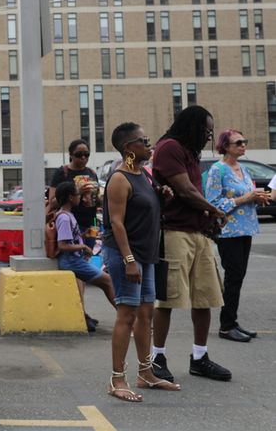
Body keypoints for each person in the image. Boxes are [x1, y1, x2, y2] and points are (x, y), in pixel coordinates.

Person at [151, 105, 230, 383]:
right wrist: (215, 210)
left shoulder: (189, 152)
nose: (209, 136)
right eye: (206, 130)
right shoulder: (169, 148)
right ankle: (156, 357)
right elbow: (184, 190)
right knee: (168, 299)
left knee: (205, 297)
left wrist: (207, 216)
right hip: (174, 232)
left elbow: (193, 192)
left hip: (198, 234)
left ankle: (200, 358)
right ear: (192, 126)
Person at [103, 122, 180, 404]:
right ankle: (116, 379)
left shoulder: (144, 175)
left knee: (147, 314)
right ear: (128, 148)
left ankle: (146, 373)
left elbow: (144, 211)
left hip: (146, 255)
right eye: (144, 141)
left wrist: (162, 197)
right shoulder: (120, 178)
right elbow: (117, 223)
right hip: (127, 255)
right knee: (127, 314)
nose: (150, 145)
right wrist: (129, 261)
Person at [205, 129, 270, 342]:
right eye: (238, 142)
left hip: (246, 229)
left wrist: (257, 198)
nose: (243, 145)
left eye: (244, 141)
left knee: (238, 277)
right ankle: (226, 325)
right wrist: (244, 198)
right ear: (225, 147)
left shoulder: (242, 168)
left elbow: (248, 193)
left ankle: (232, 321)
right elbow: (213, 204)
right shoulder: (218, 170)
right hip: (229, 232)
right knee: (233, 277)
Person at [55, 182, 116, 319]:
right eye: (78, 194)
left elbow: (70, 239)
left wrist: (83, 235)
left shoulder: (68, 215)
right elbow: (63, 245)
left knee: (106, 283)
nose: (81, 198)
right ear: (71, 198)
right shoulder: (64, 218)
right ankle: (127, 320)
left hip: (75, 259)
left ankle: (126, 318)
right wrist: (83, 246)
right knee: (108, 281)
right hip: (72, 261)